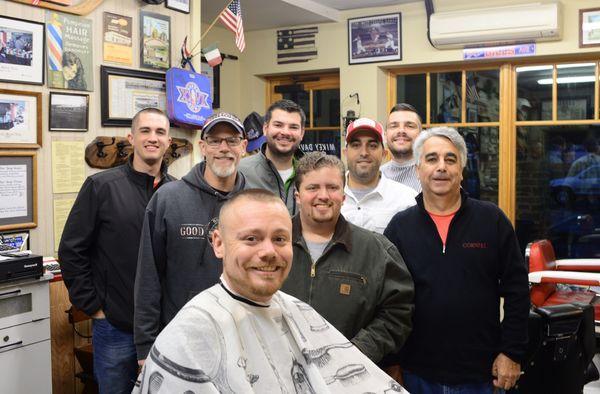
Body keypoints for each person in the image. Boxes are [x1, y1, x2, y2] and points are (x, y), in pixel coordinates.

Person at [132, 189, 407, 394]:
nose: (268, 252)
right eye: (251, 238)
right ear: (218, 243)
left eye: (279, 239)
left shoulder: (295, 310)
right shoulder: (191, 333)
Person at [384, 127, 529, 393]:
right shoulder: (399, 228)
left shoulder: (492, 221)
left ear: (461, 170)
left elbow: (518, 290)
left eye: (450, 160)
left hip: (481, 374)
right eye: (432, 159)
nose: (441, 167)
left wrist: (511, 352)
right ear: (418, 170)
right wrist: (391, 362)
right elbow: (385, 301)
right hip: (415, 372)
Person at [58, 108, 174, 394]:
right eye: (145, 131)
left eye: (160, 132)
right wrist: (94, 307)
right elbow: (72, 250)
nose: (152, 138)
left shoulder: (177, 193)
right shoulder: (102, 186)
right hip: (115, 327)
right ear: (131, 138)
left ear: (168, 142)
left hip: (166, 329)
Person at [134, 112, 247, 364]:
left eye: (232, 140)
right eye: (215, 141)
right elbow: (148, 276)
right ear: (202, 146)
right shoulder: (168, 199)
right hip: (179, 338)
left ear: (244, 146)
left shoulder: (256, 202)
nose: (224, 148)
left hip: (243, 338)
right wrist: (145, 347)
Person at [281, 152, 414, 364]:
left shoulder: (376, 250)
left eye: (332, 188)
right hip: (280, 372)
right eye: (313, 187)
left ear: (343, 196)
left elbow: (398, 312)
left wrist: (357, 352)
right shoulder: (270, 244)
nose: (323, 195)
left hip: (349, 374)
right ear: (298, 196)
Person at [341, 117, 417, 233]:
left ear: (384, 154)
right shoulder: (328, 196)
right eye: (356, 145)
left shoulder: (406, 200)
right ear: (345, 153)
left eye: (372, 146)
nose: (364, 153)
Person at [239, 99, 305, 214]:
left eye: (293, 127)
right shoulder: (240, 172)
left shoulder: (311, 172)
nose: (285, 132)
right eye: (278, 125)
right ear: (265, 129)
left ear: (302, 133)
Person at [381, 103, 423, 192]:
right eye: (394, 126)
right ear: (385, 136)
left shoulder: (433, 176)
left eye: (410, 126)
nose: (401, 130)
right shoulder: (377, 177)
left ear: (421, 135)